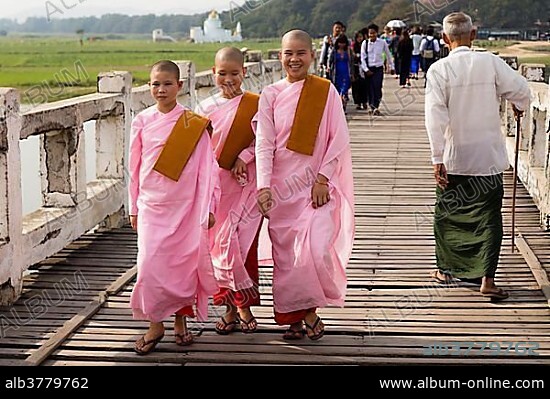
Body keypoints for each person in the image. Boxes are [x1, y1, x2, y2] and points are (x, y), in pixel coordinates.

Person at [255, 30, 355, 340]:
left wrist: (323, 178)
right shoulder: (270, 94)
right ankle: (298, 318)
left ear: (312, 55)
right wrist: (263, 186)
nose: (294, 59)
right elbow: (264, 144)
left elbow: (337, 140)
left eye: (300, 53)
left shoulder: (324, 92)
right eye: (288, 53)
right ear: (280, 56)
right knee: (288, 259)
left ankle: (309, 311)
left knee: (314, 249)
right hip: (281, 189)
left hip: (315, 187)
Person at [425, 12, 530, 300]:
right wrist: (517, 105)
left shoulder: (439, 70)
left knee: (448, 214)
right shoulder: (490, 61)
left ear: (445, 39)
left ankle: (445, 270)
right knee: (488, 216)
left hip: (455, 155)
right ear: (474, 34)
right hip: (488, 157)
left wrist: (437, 158)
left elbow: (435, 117)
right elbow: (522, 89)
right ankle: (487, 278)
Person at [129, 60, 220, 354]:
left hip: (185, 207)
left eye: (167, 84)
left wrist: (208, 205)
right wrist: (133, 206)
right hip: (151, 205)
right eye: (155, 84)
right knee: (149, 264)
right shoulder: (142, 120)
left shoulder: (193, 123)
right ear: (148, 86)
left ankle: (181, 319)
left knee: (182, 265)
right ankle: (155, 323)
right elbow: (134, 166)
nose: (161, 89)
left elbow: (208, 168)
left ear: (179, 86)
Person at [196, 47, 263, 335]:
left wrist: (244, 157)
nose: (228, 79)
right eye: (222, 73)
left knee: (242, 245)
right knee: (218, 247)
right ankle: (228, 308)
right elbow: (197, 150)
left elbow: (264, 142)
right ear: (213, 73)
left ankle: (243, 305)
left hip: (245, 184)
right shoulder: (204, 108)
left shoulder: (256, 104)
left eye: (234, 73)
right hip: (216, 188)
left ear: (244, 73)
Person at [361, 23, 394, 115]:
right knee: (369, 88)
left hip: (378, 68)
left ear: (377, 33)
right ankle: (371, 105)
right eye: (370, 33)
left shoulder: (382, 43)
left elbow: (388, 55)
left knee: (377, 87)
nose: (372, 35)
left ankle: (376, 105)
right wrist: (366, 69)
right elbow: (362, 57)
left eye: (374, 33)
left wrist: (392, 66)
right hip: (369, 68)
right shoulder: (365, 43)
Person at [328, 34, 353, 113]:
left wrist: (352, 73)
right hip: (337, 72)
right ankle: (341, 106)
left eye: (343, 43)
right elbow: (330, 60)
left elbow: (351, 62)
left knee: (344, 89)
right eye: (340, 43)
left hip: (346, 72)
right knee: (338, 89)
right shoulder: (334, 51)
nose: (341, 45)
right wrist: (328, 67)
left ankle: (343, 104)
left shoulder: (348, 51)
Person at [351, 31, 368, 110]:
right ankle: (358, 103)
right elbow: (352, 55)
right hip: (356, 67)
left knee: (364, 85)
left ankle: (364, 101)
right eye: (358, 37)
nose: (360, 39)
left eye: (361, 37)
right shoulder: (354, 45)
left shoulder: (366, 44)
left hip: (364, 67)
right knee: (356, 85)